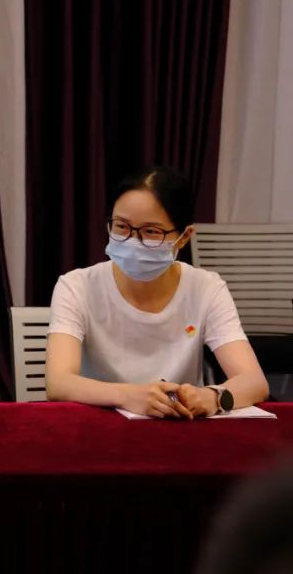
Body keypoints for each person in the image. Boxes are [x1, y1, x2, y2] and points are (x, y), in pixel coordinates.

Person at [45, 165, 268, 417]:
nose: (133, 241)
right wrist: (128, 396)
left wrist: (213, 396)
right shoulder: (76, 286)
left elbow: (254, 381)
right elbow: (58, 382)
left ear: (185, 236)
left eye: (151, 232)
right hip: (101, 424)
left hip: (178, 425)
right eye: (121, 226)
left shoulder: (206, 288)